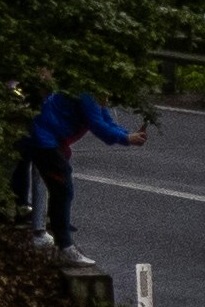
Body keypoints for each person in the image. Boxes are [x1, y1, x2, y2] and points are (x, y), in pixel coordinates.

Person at [19, 74, 147, 249]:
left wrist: (128, 134)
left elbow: (105, 119)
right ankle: (62, 244)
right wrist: (126, 138)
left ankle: (57, 237)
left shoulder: (92, 89)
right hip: (44, 138)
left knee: (61, 189)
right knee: (62, 189)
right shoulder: (88, 95)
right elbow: (98, 125)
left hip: (50, 138)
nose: (108, 99)